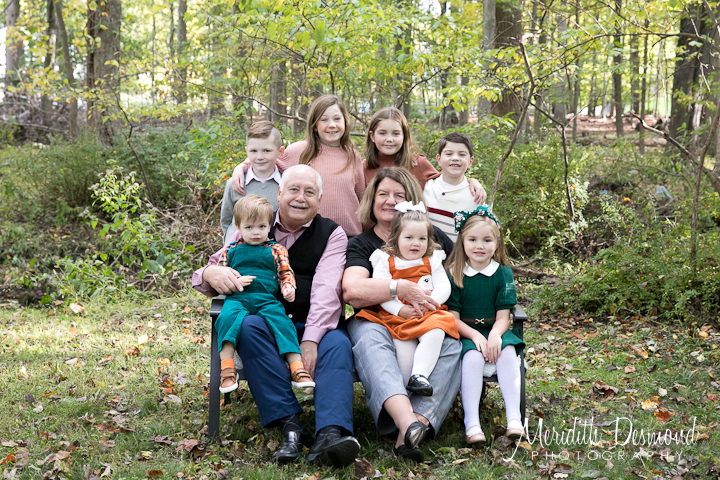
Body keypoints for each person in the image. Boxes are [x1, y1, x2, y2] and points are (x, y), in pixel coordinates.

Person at [194, 165, 360, 467]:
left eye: (309, 192)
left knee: (337, 343)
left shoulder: (332, 233)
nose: (300, 197)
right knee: (248, 327)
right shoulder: (255, 220)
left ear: (320, 200)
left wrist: (311, 339)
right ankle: (290, 425)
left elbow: (326, 289)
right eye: (293, 189)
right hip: (264, 319)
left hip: (312, 320)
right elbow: (215, 264)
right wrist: (209, 272)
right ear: (280, 193)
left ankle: (330, 434)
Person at [343, 167, 460, 462]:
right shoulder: (362, 244)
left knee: (451, 342)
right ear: (372, 199)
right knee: (372, 340)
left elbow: (461, 273)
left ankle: (408, 434)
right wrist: (399, 288)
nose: (390, 200)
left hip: (427, 315)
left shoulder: (431, 238)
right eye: (383, 193)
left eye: (399, 195)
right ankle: (408, 422)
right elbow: (352, 291)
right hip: (375, 317)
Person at [355, 202, 459, 397]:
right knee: (403, 349)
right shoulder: (385, 260)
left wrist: (429, 302)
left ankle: (419, 375)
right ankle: (404, 393)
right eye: (409, 237)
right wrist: (399, 310)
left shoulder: (432, 259)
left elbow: (444, 286)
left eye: (422, 238)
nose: (416, 243)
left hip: (428, 312)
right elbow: (383, 291)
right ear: (396, 238)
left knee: (436, 330)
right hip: (399, 316)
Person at [215, 195, 314, 394]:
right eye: (249, 227)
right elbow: (221, 276)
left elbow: (285, 273)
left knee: (283, 322)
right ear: (238, 227)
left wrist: (288, 287)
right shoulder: (229, 251)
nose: (256, 232)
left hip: (267, 299)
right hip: (238, 298)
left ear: (269, 226)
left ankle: (297, 368)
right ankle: (227, 369)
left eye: (261, 226)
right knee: (225, 319)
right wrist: (234, 281)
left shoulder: (276, 250)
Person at [231, 95, 366, 237]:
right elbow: (266, 157)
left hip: (349, 235)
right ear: (314, 125)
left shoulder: (352, 155)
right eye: (324, 119)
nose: (332, 124)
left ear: (345, 121)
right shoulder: (299, 151)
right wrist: (242, 166)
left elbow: (361, 198)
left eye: (337, 118)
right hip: (308, 235)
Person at [445, 205, 525, 445]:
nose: (479, 246)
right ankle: (472, 424)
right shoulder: (454, 273)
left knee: (508, 354)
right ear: (462, 242)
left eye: (487, 240)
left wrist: (495, 335)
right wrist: (476, 337)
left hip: (496, 329)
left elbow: (504, 316)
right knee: (472, 358)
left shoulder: (503, 274)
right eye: (472, 239)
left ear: (497, 244)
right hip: (466, 332)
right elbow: (453, 318)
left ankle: (514, 419)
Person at [362, 107, 486, 199]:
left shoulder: (418, 163)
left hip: (412, 226)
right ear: (372, 136)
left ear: (404, 136)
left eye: (396, 133)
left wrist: (470, 181)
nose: (389, 139)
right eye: (382, 133)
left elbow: (447, 181)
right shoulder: (363, 168)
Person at [220, 121, 284, 245]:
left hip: (268, 252)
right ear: (246, 151)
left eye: (266, 151)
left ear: (280, 152)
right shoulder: (235, 183)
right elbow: (226, 221)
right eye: (253, 151)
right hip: (236, 251)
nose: (259, 157)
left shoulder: (286, 185)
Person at [424, 132, 482, 242]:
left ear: (470, 162)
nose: (455, 158)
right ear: (439, 159)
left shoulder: (476, 196)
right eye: (449, 154)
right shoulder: (426, 186)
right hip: (424, 251)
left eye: (462, 154)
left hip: (456, 252)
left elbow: (479, 234)